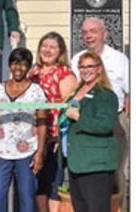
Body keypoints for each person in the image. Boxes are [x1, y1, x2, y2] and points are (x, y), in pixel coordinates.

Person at [70, 17, 129, 210]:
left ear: (105, 33)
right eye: (85, 32)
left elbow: (130, 94)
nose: (88, 35)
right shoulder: (75, 59)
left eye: (93, 31)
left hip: (114, 120)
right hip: (79, 146)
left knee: (118, 178)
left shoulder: (120, 60)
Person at [0, 47, 48, 212]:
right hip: (1, 150)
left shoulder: (36, 91)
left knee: (27, 196)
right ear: (9, 66)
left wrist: (40, 152)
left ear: (29, 67)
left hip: (27, 151)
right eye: (15, 63)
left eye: (23, 64)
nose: (18, 68)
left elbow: (42, 121)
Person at [28, 31, 77, 212]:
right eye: (44, 46)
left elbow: (70, 107)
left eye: (52, 47)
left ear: (60, 51)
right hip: (33, 134)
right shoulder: (33, 71)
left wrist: (58, 136)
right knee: (39, 181)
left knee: (53, 181)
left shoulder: (64, 73)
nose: (47, 50)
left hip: (54, 135)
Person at [64, 51, 119, 212]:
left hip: (95, 164)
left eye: (90, 66)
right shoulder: (75, 92)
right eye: (82, 66)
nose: (85, 70)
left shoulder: (106, 95)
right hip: (76, 162)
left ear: (99, 69)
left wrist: (78, 117)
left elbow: (105, 125)